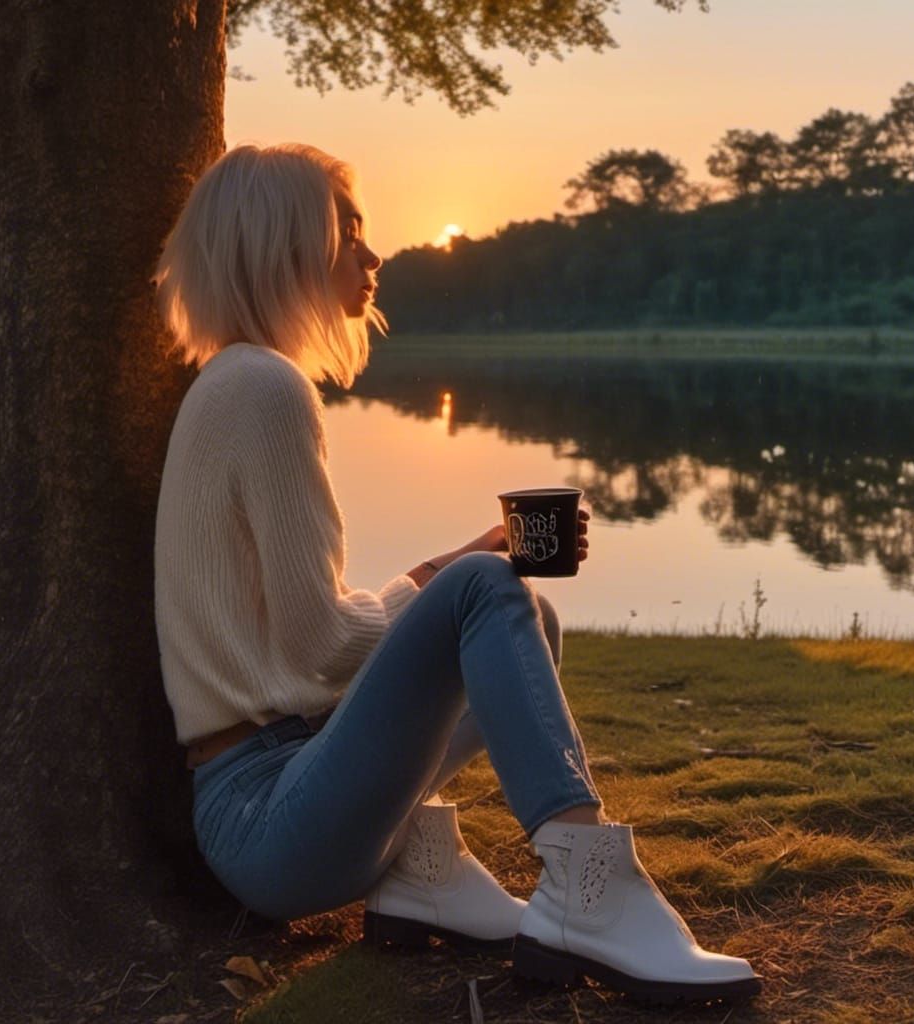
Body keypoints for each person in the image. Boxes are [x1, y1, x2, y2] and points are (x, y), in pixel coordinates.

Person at [152, 143, 760, 1004]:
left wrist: (465, 569)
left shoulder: (239, 382)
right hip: (265, 821)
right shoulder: (263, 389)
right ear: (286, 244)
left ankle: (421, 869)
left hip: (291, 781)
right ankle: (590, 886)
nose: (374, 255)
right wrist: (454, 567)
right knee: (482, 591)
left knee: (528, 616)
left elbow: (298, 654)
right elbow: (322, 647)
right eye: (349, 232)